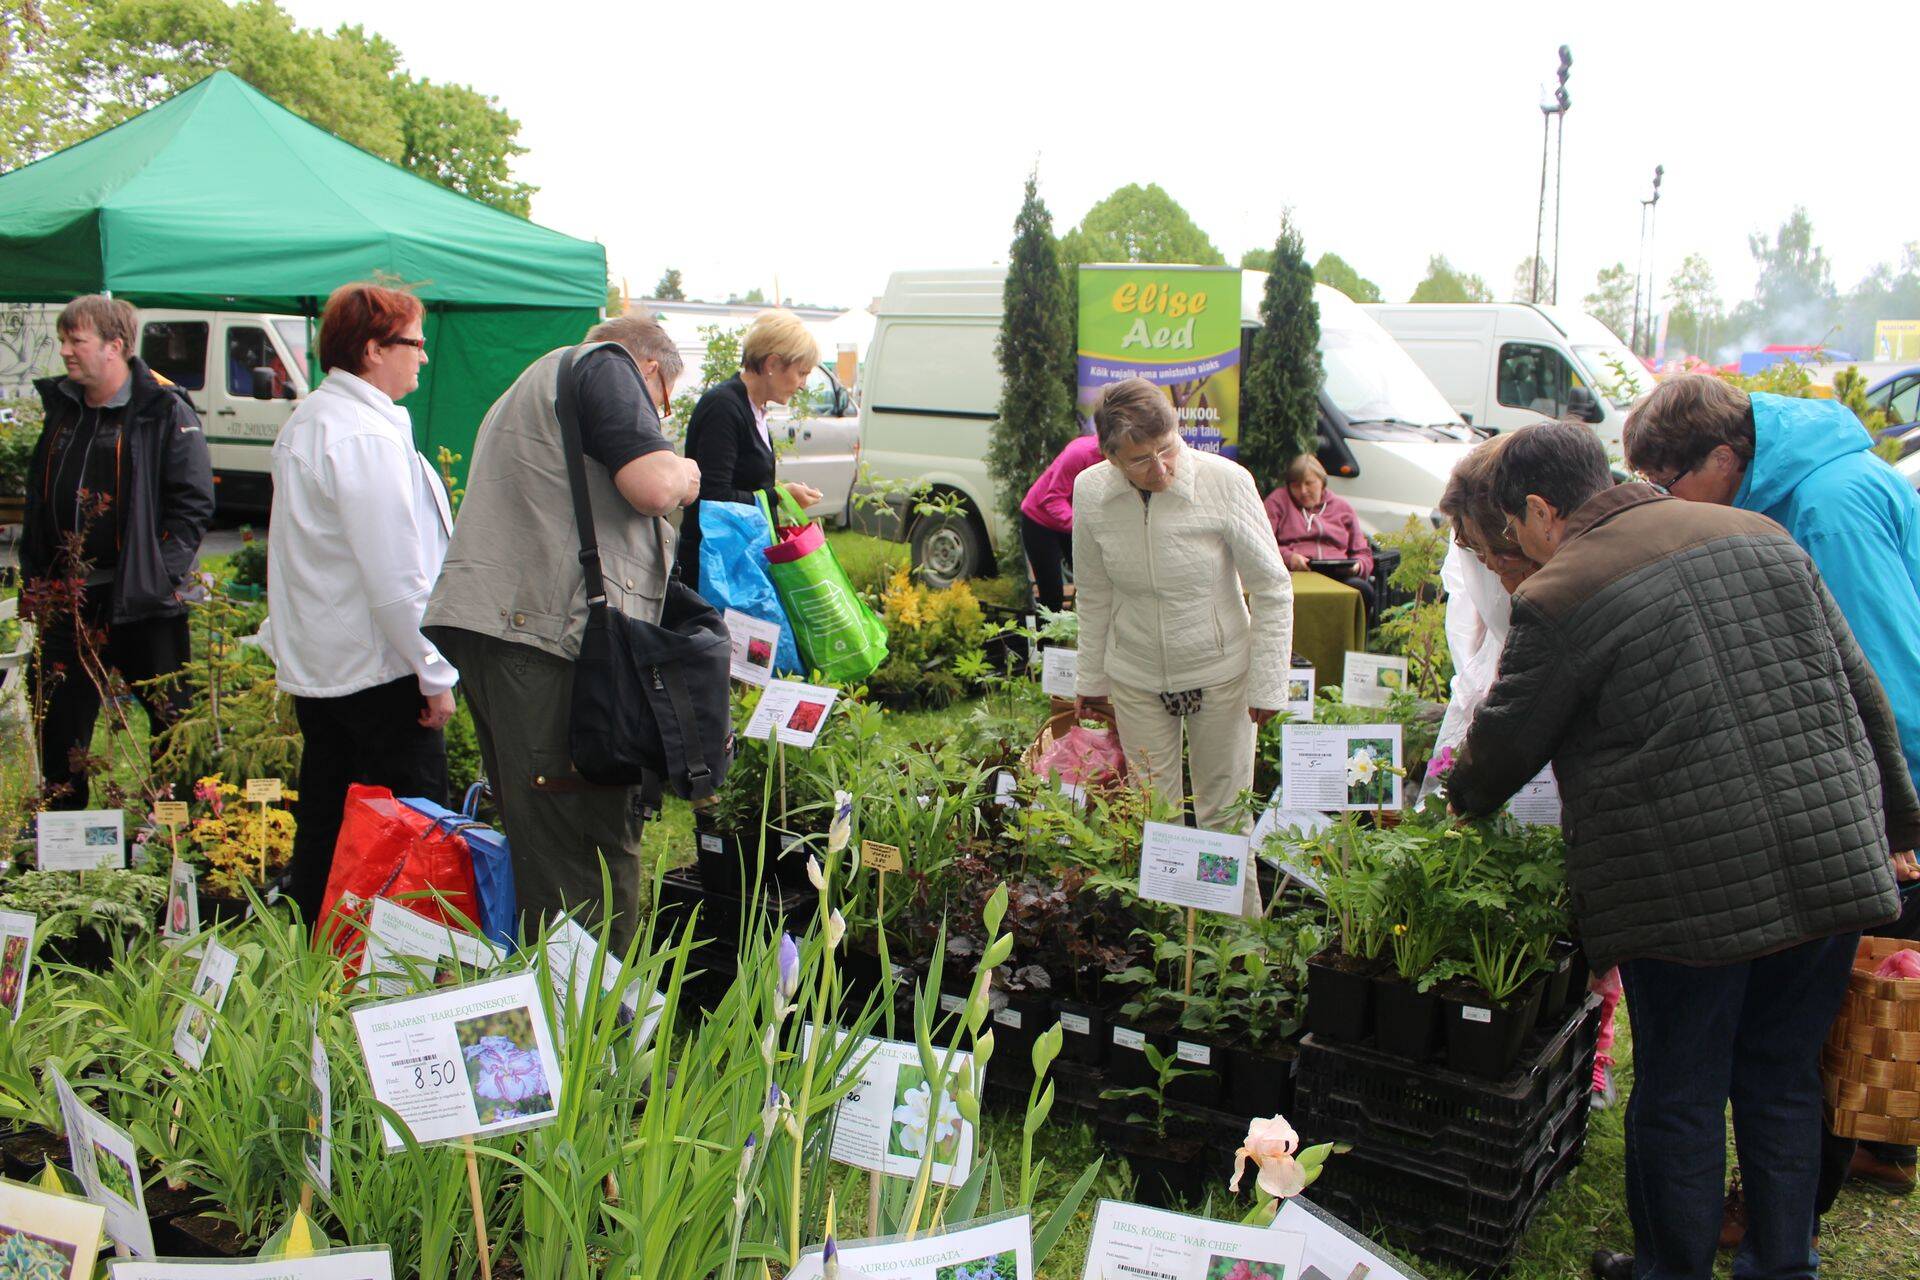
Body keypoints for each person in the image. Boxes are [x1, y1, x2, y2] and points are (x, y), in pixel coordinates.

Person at [1443, 419, 1916, 1280]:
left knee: (1681, 1092)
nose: (1516, 551)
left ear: (1544, 511)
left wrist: (1455, 803)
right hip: (1830, 858)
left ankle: (1672, 1270)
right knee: (1779, 1077)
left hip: (1682, 890)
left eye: (1512, 533)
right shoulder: (1759, 532)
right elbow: (1862, 688)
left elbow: (1505, 747)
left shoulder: (1564, 591)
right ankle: (1783, 1266)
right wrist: (1901, 828)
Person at [1625, 374, 1920, 1206]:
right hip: (1867, 791)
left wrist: (1898, 820)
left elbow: (1889, 682)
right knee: (1841, 1012)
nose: (1662, 501)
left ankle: (1780, 1211)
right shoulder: (1813, 484)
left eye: (1667, 483)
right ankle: (1870, 1153)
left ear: (1725, 455)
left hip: (1873, 794)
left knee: (1809, 1029)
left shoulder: (1826, 508)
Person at [424, 315, 699, 953]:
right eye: (659, 409)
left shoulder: (532, 385)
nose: (652, 417)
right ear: (650, 369)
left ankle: (552, 1027)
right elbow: (654, 484)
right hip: (548, 640)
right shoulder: (606, 365)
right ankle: (598, 1036)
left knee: (545, 844)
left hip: (513, 633)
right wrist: (685, 472)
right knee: (588, 850)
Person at [1429, 437, 1625, 1109]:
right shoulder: (1483, 547)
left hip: (1561, 744)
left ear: (1528, 523)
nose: (1491, 566)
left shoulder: (1579, 575)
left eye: (1497, 550)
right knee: (1498, 885)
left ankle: (1588, 1051)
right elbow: (1475, 638)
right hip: (1501, 721)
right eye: (1478, 554)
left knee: (1584, 902)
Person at [262, 283, 457, 927]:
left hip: (331, 672)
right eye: (415, 343)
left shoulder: (319, 422)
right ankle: (395, 973)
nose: (423, 358)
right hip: (379, 673)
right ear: (374, 349)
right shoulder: (358, 436)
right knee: (407, 834)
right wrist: (433, 673)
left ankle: (315, 958)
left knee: (328, 817)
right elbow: (396, 578)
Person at [1071, 378, 1292, 851]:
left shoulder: (1227, 483)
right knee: (1154, 816)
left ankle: (1236, 925)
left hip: (1220, 672)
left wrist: (1269, 682)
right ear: (1111, 458)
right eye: (1140, 460)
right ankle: (1167, 923)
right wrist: (1091, 679)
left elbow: (1273, 586)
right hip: (1136, 673)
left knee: (1226, 814)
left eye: (1167, 448)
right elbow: (1092, 592)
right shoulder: (1090, 492)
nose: (1161, 468)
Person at [20, 295, 213, 810]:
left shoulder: (163, 410)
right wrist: (35, 576)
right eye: (63, 340)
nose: (64, 351)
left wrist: (159, 577)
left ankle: (180, 827)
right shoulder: (63, 408)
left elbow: (192, 505)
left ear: (115, 346)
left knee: (171, 717)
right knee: (59, 715)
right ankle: (61, 830)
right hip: (69, 598)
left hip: (142, 600)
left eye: (74, 340)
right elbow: (39, 499)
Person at [673, 310, 824, 582]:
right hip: (713, 571)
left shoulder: (752, 408)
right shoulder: (724, 407)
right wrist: (778, 496)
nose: (803, 385)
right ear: (773, 363)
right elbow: (713, 496)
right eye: (801, 373)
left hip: (736, 563)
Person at [1262, 454, 1376, 617]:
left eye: (1309, 483)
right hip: (1294, 575)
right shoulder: (1277, 502)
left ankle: (1350, 641)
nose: (1303, 491)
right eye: (1295, 485)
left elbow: (1363, 553)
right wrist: (1289, 558)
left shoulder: (1342, 508)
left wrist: (1357, 566)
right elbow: (1263, 544)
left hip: (1337, 576)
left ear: (1322, 482)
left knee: (1362, 589)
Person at [1018, 433, 1103, 612]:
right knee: (1052, 596)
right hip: (1039, 519)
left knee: (1093, 583)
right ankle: (1048, 639)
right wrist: (1084, 527)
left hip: (1071, 520)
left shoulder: (1123, 459)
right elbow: (1053, 499)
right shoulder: (1080, 453)